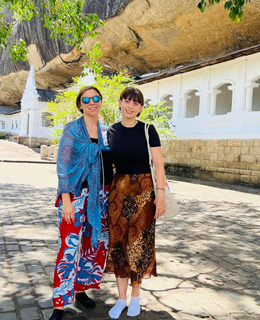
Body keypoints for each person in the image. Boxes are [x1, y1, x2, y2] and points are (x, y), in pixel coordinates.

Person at [49, 86, 113, 320]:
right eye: (86, 99)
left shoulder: (107, 132)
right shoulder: (72, 130)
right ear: (80, 105)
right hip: (75, 197)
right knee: (68, 248)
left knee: (92, 245)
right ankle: (58, 304)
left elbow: (111, 163)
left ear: (101, 102)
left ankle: (80, 290)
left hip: (100, 198)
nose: (92, 102)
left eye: (96, 98)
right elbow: (63, 167)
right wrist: (66, 200)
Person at [105, 87, 166, 319]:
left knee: (139, 245)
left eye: (136, 102)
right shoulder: (110, 131)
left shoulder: (148, 130)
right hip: (118, 193)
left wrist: (159, 194)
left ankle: (136, 297)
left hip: (144, 193)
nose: (130, 106)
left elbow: (159, 164)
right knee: (119, 244)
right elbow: (107, 165)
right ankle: (121, 299)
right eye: (127, 101)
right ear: (119, 103)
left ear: (141, 108)